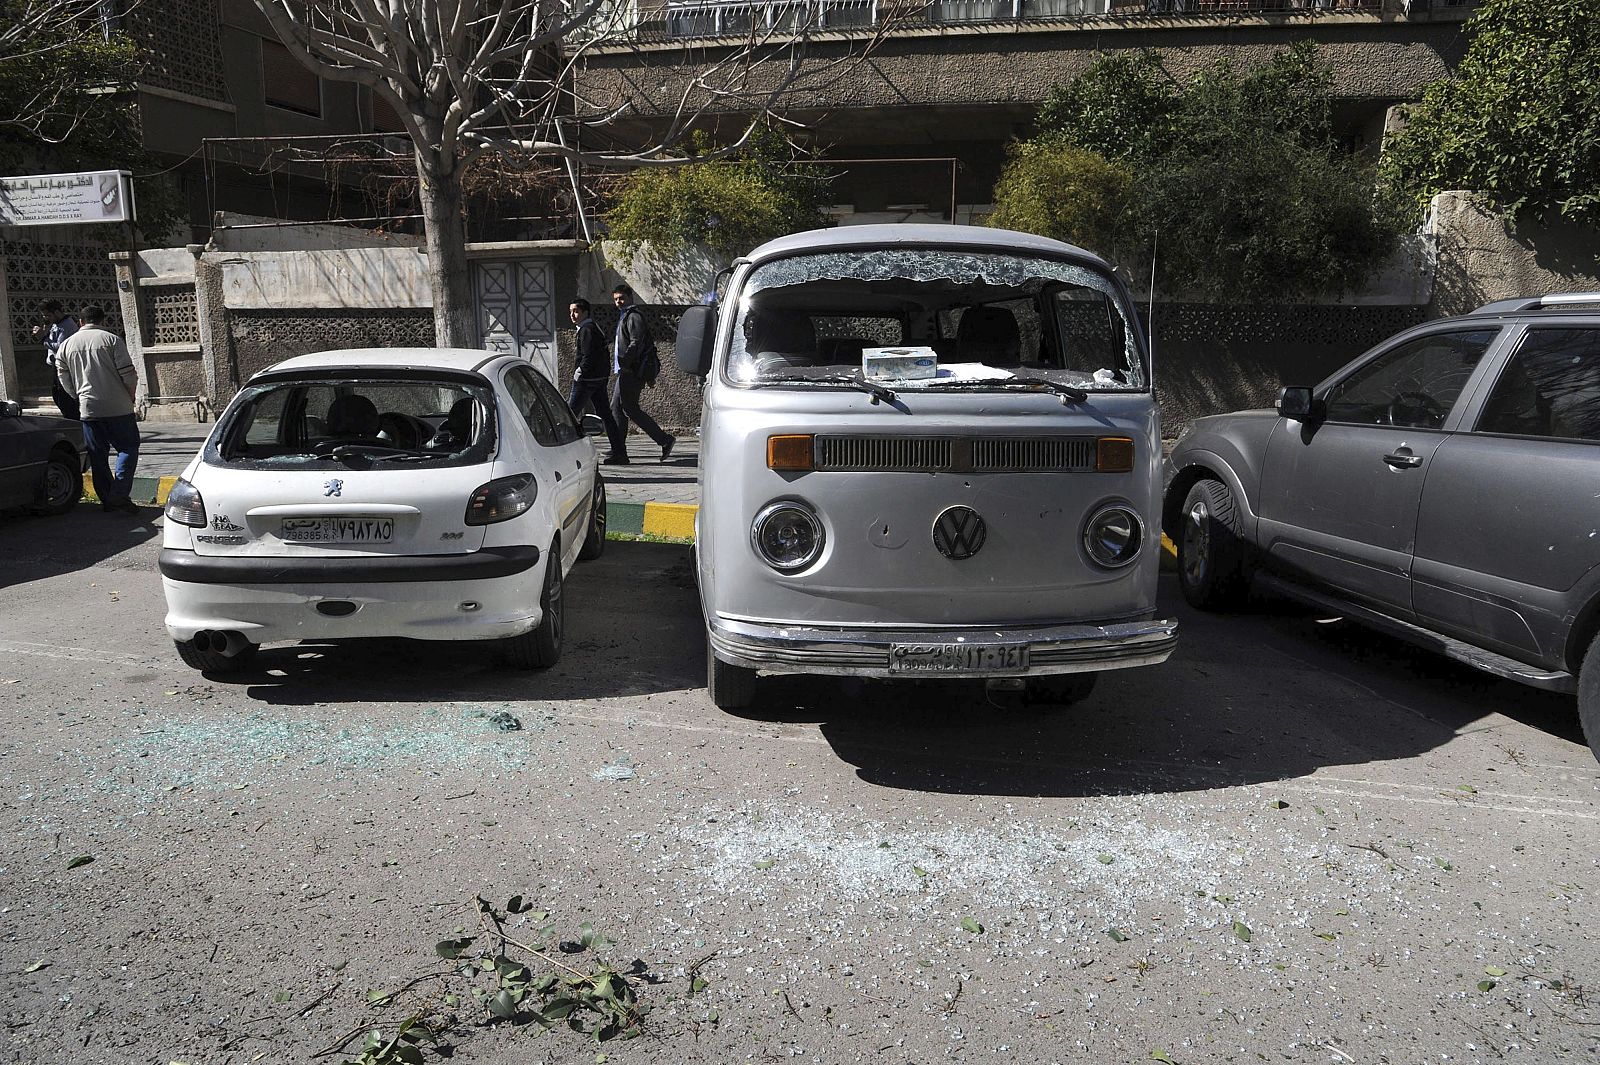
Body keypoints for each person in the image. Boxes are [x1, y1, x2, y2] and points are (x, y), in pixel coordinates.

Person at [55, 304, 141, 513]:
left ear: (80, 322)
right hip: (118, 406)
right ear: (103, 320)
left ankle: (107, 498)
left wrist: (76, 395)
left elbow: (62, 375)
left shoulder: (66, 345)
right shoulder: (111, 340)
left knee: (97, 455)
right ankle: (119, 494)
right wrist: (131, 395)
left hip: (89, 409)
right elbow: (128, 374)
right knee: (128, 448)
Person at [608, 284, 676, 463]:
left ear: (631, 297)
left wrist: (626, 363)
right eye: (615, 299)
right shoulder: (626, 315)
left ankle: (664, 440)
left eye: (621, 298)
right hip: (625, 370)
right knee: (617, 408)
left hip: (630, 371)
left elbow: (635, 342)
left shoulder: (634, 316)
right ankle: (618, 450)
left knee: (629, 408)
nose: (618, 302)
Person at [567, 298, 628, 464]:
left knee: (569, 415)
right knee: (606, 415)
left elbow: (588, 356)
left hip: (587, 380)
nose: (572, 315)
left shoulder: (587, 329)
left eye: (576, 311)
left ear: (585, 312)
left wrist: (579, 372)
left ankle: (566, 454)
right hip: (598, 378)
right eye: (571, 311)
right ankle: (619, 452)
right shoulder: (591, 327)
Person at [30, 300, 80, 420]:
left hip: (65, 366)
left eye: (48, 315)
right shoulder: (55, 324)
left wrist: (43, 337)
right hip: (56, 365)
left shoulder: (67, 325)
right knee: (58, 395)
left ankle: (74, 421)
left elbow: (60, 346)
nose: (46, 318)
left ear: (57, 312)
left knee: (65, 397)